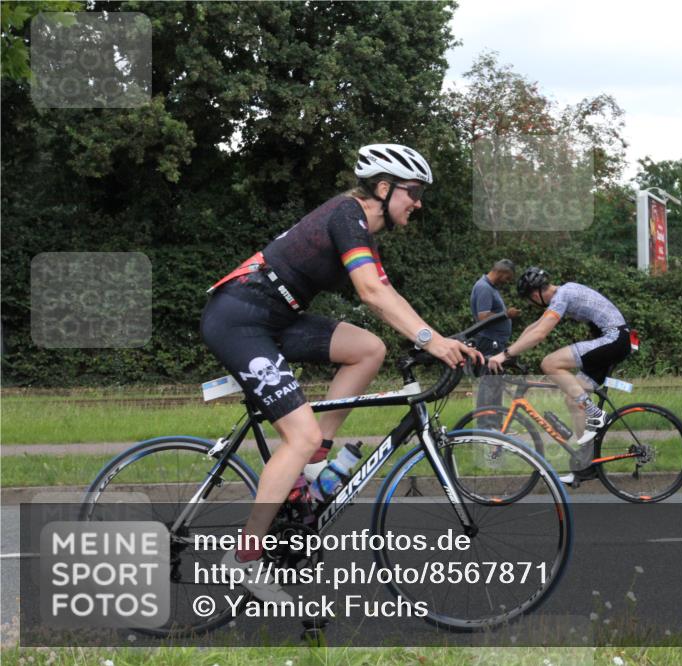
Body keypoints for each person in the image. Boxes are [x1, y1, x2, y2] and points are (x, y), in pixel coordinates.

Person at [200, 143, 482, 602]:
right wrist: (432, 340)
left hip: (276, 318)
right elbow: (371, 292)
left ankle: (313, 465)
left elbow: (388, 296)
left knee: (368, 348)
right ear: (384, 188)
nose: (418, 202)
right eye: (412, 192)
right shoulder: (346, 214)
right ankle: (244, 558)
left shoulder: (361, 231)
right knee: (300, 434)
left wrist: (433, 336)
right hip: (240, 318)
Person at [487, 266, 631, 484]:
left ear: (535, 295)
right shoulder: (562, 295)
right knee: (572, 400)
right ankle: (588, 464)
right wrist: (508, 353)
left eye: (529, 300)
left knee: (550, 363)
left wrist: (505, 354)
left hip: (613, 339)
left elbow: (540, 334)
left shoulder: (563, 295)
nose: (531, 303)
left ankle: (595, 414)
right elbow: (533, 327)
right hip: (615, 340)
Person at [469, 259, 520, 427]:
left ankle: (496, 425)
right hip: (490, 342)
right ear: (501, 272)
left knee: (495, 382)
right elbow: (482, 317)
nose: (508, 281)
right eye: (508, 277)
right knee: (489, 383)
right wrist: (506, 315)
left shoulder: (490, 288)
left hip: (495, 341)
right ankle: (485, 425)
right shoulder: (484, 288)